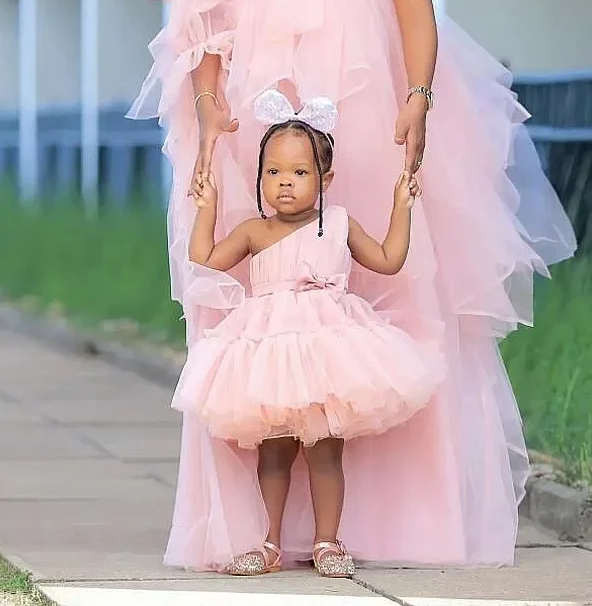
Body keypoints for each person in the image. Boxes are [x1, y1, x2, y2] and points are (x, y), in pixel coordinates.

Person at [128, 0, 576, 572]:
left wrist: (418, 94)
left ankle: (393, 519)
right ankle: (260, 526)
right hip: (259, 108)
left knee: (383, 284)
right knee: (259, 294)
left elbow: (414, 0)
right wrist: (212, 102)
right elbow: (203, 10)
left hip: (365, 96)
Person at [172, 89, 445, 576]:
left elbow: (388, 259)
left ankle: (327, 541)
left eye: (299, 173)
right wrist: (207, 209)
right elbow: (204, 264)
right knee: (274, 451)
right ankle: (269, 542)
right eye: (273, 172)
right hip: (270, 354)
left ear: (325, 178)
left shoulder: (339, 224)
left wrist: (401, 205)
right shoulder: (255, 231)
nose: (284, 184)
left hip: (327, 350)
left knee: (325, 452)